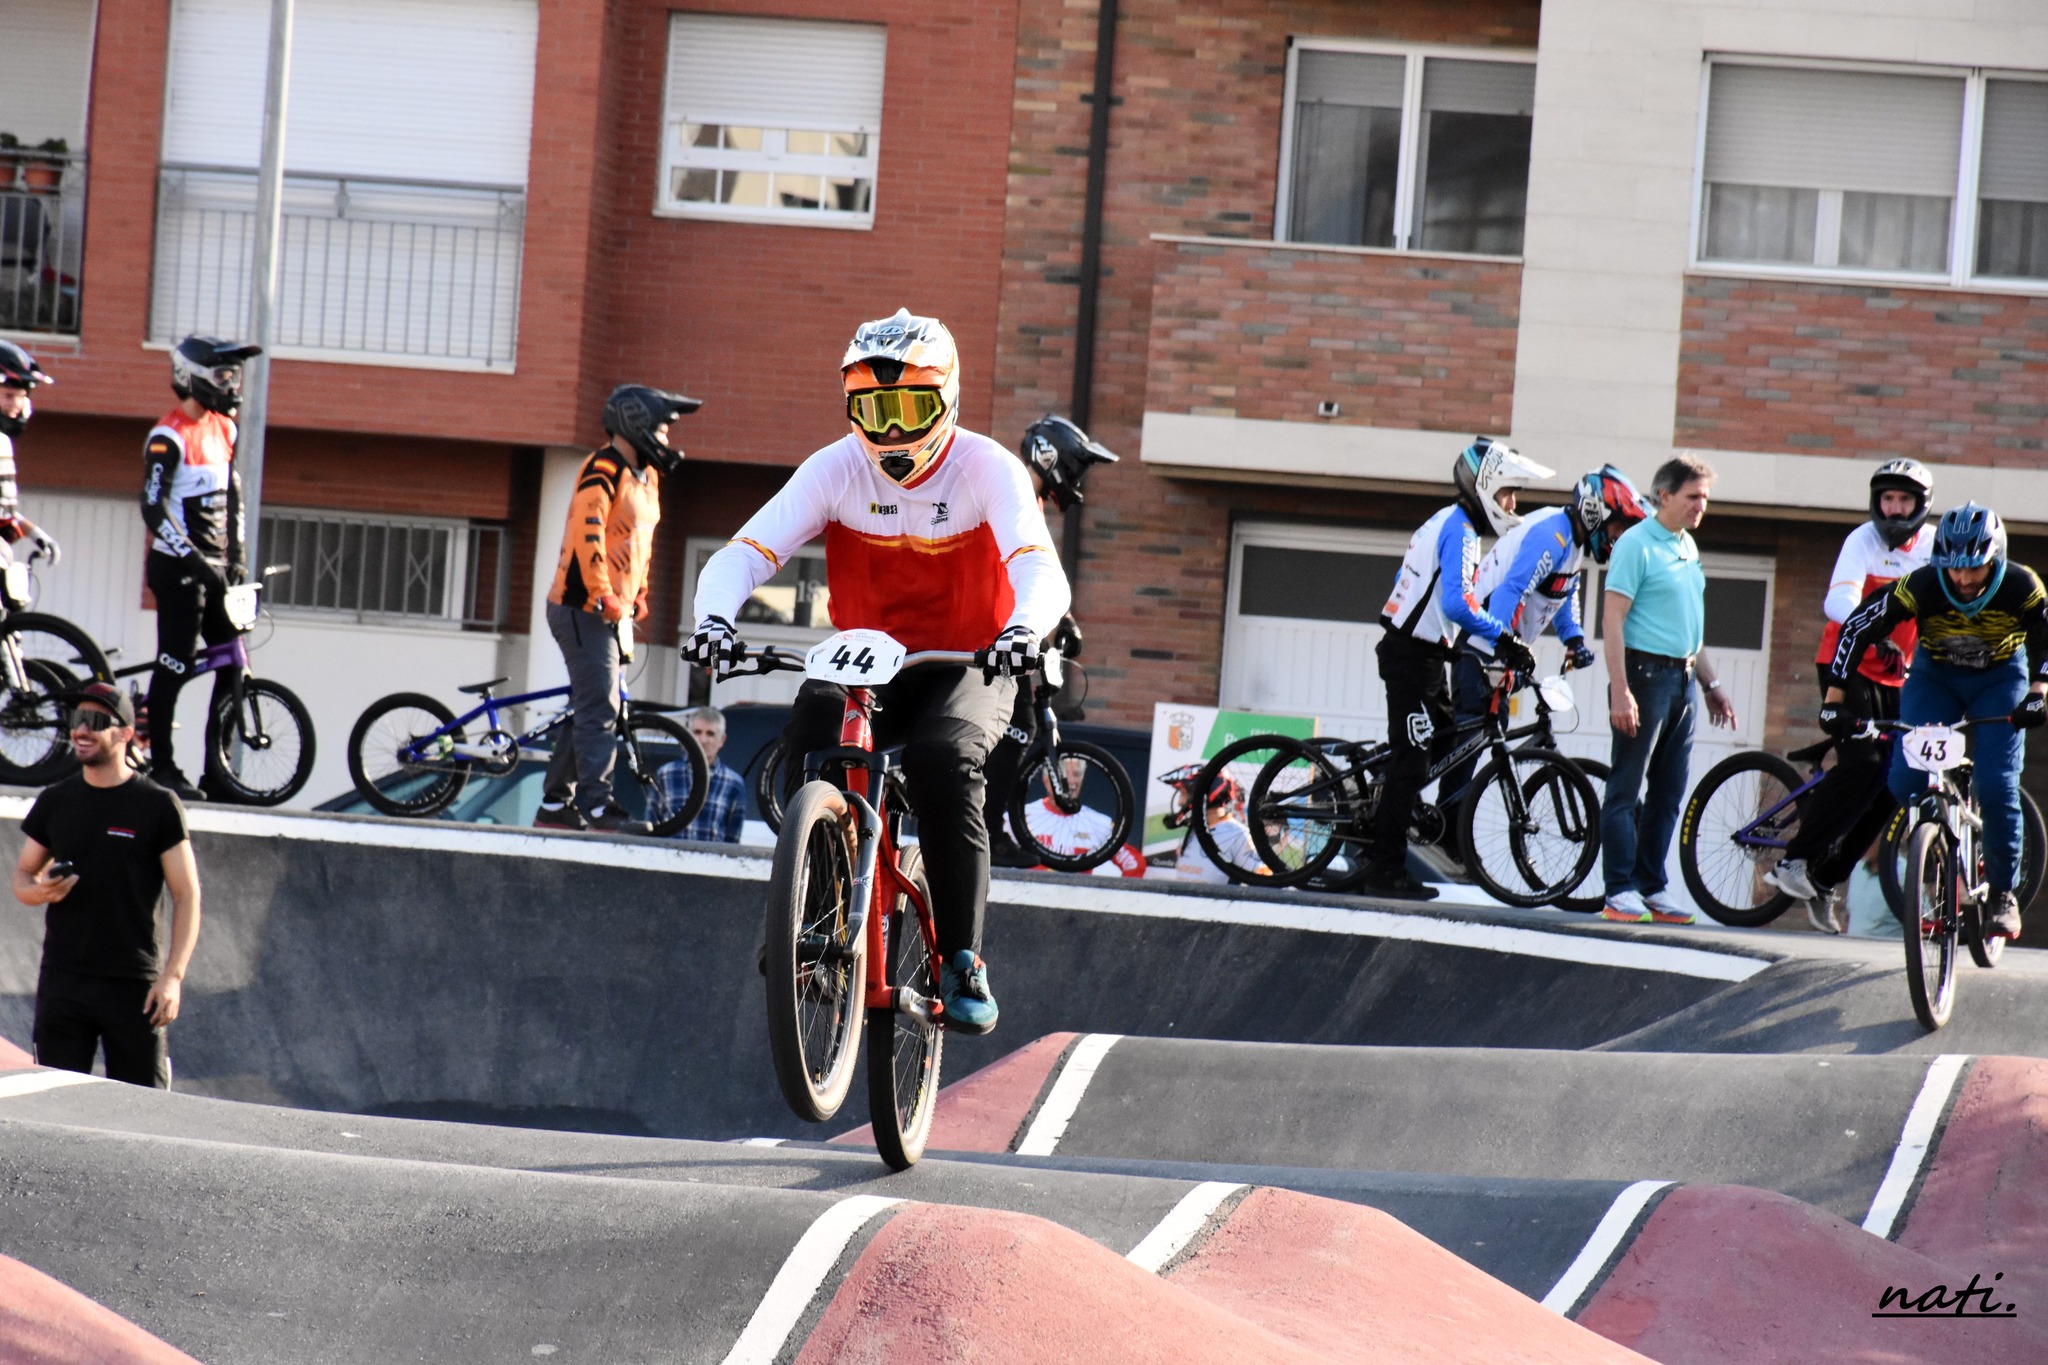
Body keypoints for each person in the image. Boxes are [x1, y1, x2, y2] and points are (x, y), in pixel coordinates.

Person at [687, 309, 1070, 1036]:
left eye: (909, 409)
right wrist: (714, 619)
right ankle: (811, 895)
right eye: (872, 410)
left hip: (972, 658)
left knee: (942, 757)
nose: (891, 432)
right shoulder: (835, 467)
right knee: (814, 716)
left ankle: (962, 957)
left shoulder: (989, 467)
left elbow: (1039, 567)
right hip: (874, 660)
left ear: (948, 398)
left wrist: (1023, 629)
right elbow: (744, 552)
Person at [1822, 502, 2048, 941]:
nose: (1962, 580)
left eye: (1974, 570)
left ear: (1995, 560)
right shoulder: (1923, 584)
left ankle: (2002, 893)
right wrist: (1833, 700)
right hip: (1936, 678)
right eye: (1952, 569)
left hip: (2000, 681)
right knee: (1904, 780)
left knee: (1996, 784)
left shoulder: (2024, 586)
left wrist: (2039, 695)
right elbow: (1856, 628)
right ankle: (1936, 845)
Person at [1372, 436, 1550, 900]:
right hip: (1413, 656)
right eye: (1508, 493)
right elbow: (1457, 600)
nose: (1512, 504)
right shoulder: (1463, 532)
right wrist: (1504, 638)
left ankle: (1439, 832)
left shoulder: (1446, 520)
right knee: (1411, 762)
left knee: (1448, 740)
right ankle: (1384, 869)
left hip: (1424, 655)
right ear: (1484, 487)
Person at [11, 683, 200, 1088]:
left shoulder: (157, 805)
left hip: (134, 987)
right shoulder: (56, 800)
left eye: (96, 722)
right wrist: (38, 891)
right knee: (54, 1109)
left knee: (141, 1114)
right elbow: (22, 875)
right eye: (77, 720)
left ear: (126, 733)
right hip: (65, 981)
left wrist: (173, 978)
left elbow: (186, 894)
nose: (81, 731)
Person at [1767, 460, 1935, 912]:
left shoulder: (1935, 546)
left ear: (1921, 505)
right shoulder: (1861, 540)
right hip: (1846, 664)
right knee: (1863, 762)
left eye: (1904, 501)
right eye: (1887, 499)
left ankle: (1826, 877)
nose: (1895, 510)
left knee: (1897, 781)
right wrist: (1875, 631)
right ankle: (1794, 862)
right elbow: (1838, 599)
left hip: (1899, 674)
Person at [535, 384, 700, 835]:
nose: (665, 440)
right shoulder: (602, 468)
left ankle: (554, 805)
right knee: (601, 706)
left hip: (613, 611)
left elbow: (639, 543)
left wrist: (639, 592)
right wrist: (604, 593)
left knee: (590, 704)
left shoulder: (647, 477)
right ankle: (599, 806)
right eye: (661, 430)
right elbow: (587, 534)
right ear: (635, 423)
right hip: (581, 606)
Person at [1441, 465, 1648, 811]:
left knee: (1479, 746)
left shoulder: (1571, 544)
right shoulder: (1552, 534)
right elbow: (1512, 590)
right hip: (1480, 652)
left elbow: (1564, 595)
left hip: (1495, 655)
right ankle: (1444, 833)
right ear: (1596, 512)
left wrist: (1574, 640)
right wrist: (1503, 650)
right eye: (1617, 526)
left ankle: (1449, 831)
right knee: (1467, 748)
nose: (1617, 537)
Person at [1599, 455, 1739, 924]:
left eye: (1705, 497)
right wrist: (1621, 690)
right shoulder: (1636, 545)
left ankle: (1650, 887)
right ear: (1665, 496)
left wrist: (1711, 683)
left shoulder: (1687, 546)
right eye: (1693, 496)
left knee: (1668, 793)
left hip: (1682, 680)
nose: (1702, 505)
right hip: (1644, 677)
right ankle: (1619, 890)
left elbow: (1690, 629)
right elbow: (1612, 621)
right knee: (1625, 787)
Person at [987, 414, 1116, 867]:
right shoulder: (1014, 489)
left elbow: (1039, 569)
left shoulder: (1029, 499)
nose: (1077, 482)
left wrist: (1064, 619)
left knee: (1015, 729)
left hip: (1005, 636)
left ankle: (985, 828)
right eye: (1077, 469)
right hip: (989, 635)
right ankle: (986, 834)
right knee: (1018, 728)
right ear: (1051, 456)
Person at [141, 334, 262, 803]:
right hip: (177, 571)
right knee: (173, 662)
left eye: (234, 375)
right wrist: (194, 559)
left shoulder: (225, 428)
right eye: (222, 374)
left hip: (217, 570)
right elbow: (152, 510)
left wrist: (238, 560)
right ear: (191, 377)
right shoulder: (166, 436)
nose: (231, 383)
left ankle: (219, 772)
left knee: (232, 664)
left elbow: (233, 500)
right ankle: (163, 767)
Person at [1018, 754, 1147, 876]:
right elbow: (999, 857)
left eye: (1077, 774)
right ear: (1046, 780)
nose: (1073, 781)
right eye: (1065, 775)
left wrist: (1120, 897)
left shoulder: (1100, 823)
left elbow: (1135, 863)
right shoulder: (1021, 816)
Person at [0, 342, 63, 572]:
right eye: (8, 395)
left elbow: (4, 511)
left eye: (21, 396)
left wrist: (37, 534)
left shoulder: (3, 443)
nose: (16, 405)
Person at [655, 706, 747, 843]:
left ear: (722, 740)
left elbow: (732, 840)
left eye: (710, 734)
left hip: (711, 862)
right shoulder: (666, 775)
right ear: (688, 734)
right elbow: (652, 826)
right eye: (697, 732)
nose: (703, 740)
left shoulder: (734, 784)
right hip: (668, 861)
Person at [1157, 765, 1259, 883]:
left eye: (1183, 794)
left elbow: (1264, 885)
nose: (1180, 802)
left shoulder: (1238, 834)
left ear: (1203, 793)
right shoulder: (1194, 831)